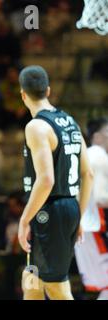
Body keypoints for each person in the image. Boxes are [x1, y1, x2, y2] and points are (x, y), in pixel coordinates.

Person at [17, 65, 93, 300]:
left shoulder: (36, 127)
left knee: (58, 288)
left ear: (23, 94)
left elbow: (47, 180)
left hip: (50, 210)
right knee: (31, 279)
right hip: (67, 207)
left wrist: (24, 219)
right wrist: (78, 215)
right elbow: (87, 174)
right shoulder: (70, 122)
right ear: (48, 91)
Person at [74, 118, 108, 300]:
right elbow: (102, 197)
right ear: (97, 137)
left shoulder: (84, 155)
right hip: (95, 228)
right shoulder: (100, 156)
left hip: (81, 230)